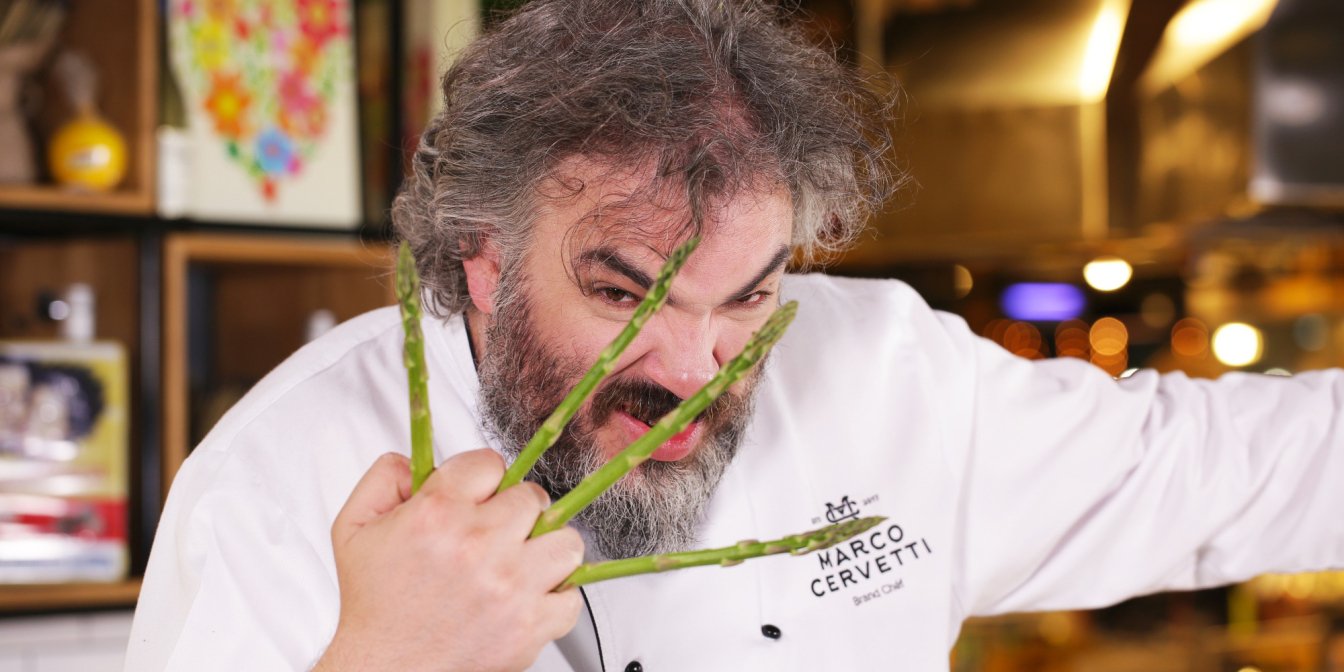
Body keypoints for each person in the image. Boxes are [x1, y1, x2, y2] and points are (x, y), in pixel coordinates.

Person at [127, 0, 1344, 670]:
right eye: (624, 296)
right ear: (479, 255)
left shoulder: (888, 374)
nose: (692, 371)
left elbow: (1262, 467)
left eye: (750, 297)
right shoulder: (281, 477)